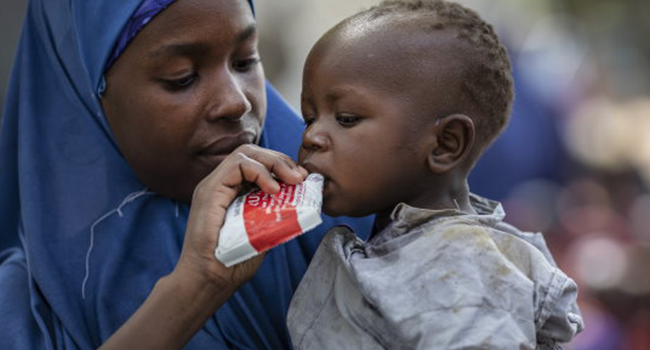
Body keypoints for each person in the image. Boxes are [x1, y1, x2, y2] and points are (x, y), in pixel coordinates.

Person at [0, 0, 372, 349]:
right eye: (181, 78)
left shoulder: (350, 216)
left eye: (244, 61)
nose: (236, 102)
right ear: (86, 99)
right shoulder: (29, 309)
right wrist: (197, 286)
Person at [286, 1, 585, 349]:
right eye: (309, 117)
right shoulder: (405, 245)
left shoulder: (461, 265)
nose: (311, 137)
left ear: (445, 144)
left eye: (347, 118)